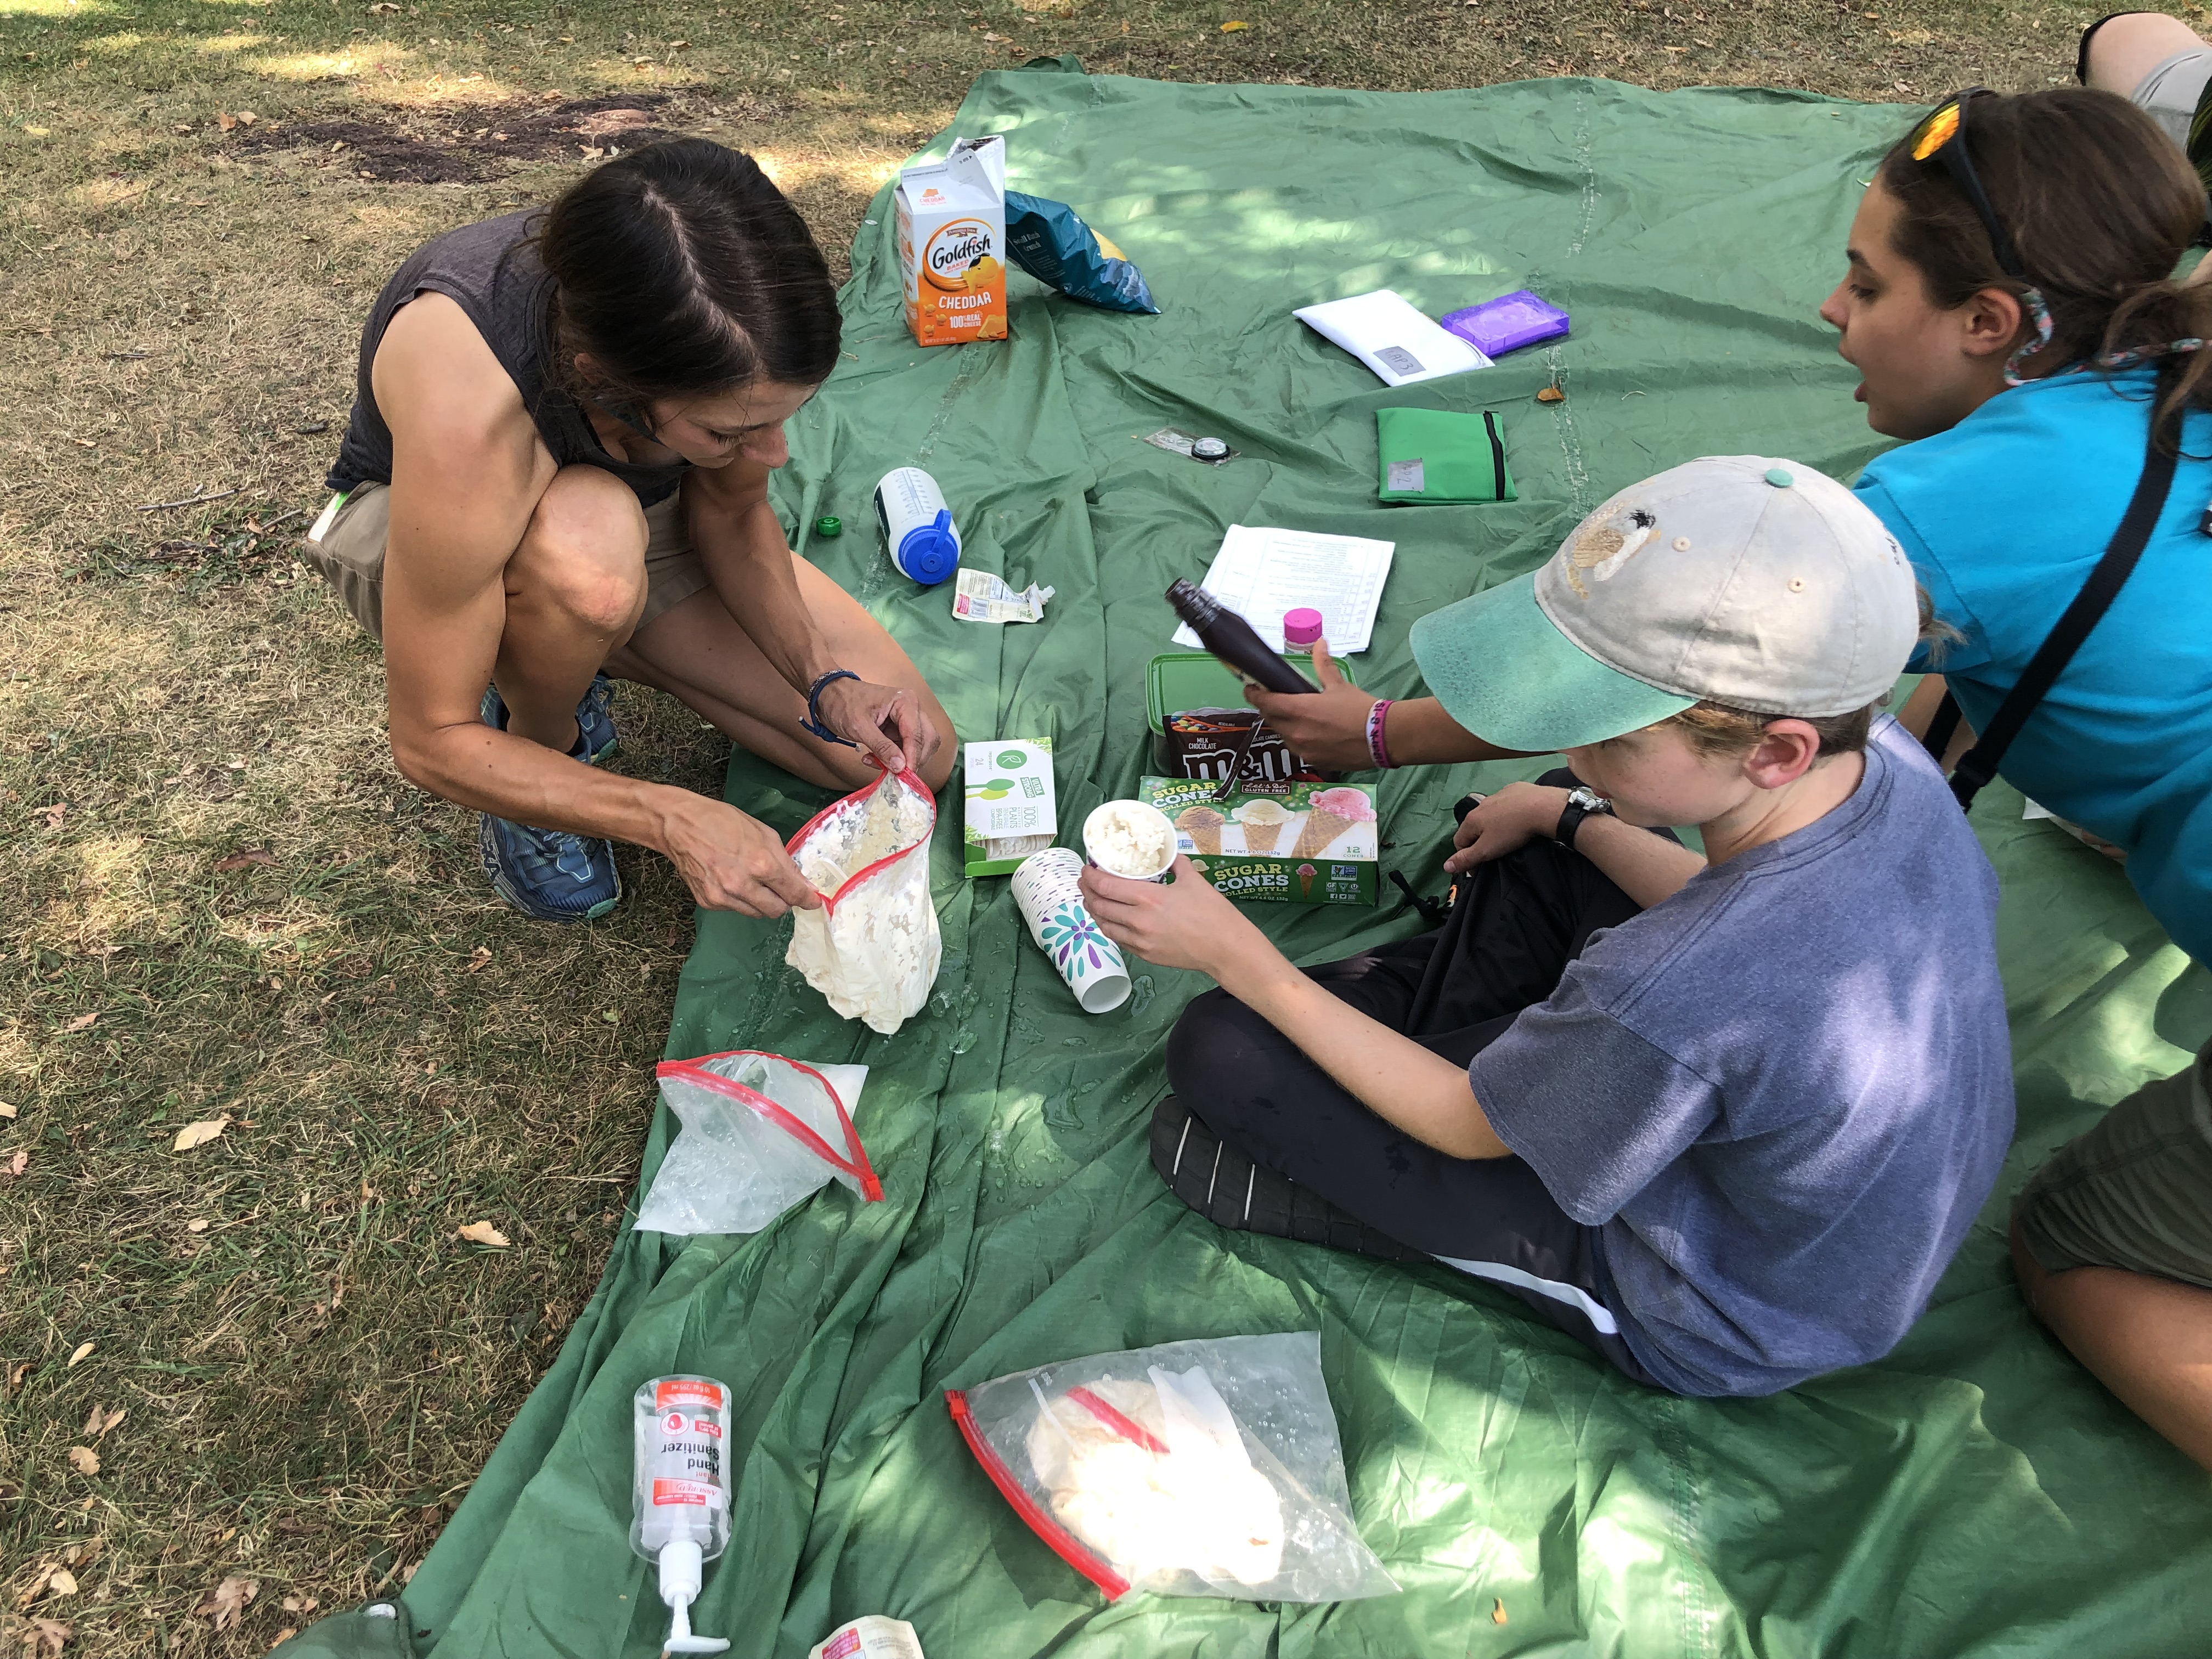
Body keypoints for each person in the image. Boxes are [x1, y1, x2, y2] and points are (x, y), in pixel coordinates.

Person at [1081, 456, 2015, 1399]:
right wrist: (1569, 813)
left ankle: (1375, 1172)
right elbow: (1722, 907)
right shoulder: (1884, 756)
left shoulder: (1689, 982)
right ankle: (1440, 1071)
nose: (1573, 745)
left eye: (1614, 731)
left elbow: (1470, 1121)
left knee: (1222, 1046)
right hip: (1799, 1166)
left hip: (1719, 1303)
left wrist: (1241, 959)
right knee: (1561, 816)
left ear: (1777, 752)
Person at [1816, 83, 2212, 1468]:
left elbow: (1701, 691)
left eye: (1866, 285)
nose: (1831, 312)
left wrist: (1384, 738)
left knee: (2078, 1250)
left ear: (1993, 324)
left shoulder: (1940, 507)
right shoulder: (2185, 354)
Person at [303, 139, 953, 924]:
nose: (775, 454)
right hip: (422, 522)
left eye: (783, 419)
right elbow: (429, 736)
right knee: (591, 557)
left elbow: (732, 511)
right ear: (605, 382)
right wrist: (666, 815)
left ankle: (577, 648)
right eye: (733, 432)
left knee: (914, 760)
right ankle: (541, 751)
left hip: (617, 513)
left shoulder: (712, 326)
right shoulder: (471, 403)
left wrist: (827, 683)